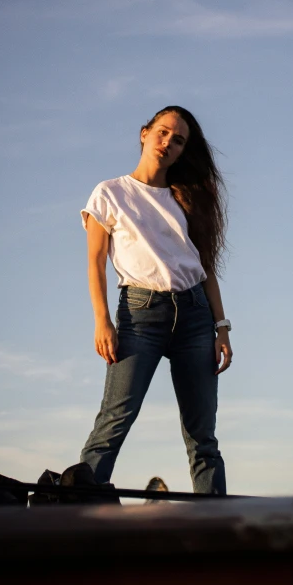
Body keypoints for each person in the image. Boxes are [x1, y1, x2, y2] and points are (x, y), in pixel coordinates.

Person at [79, 106, 232, 494]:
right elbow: (95, 263)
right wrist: (102, 321)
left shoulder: (187, 199)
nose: (168, 142)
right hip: (139, 315)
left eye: (178, 140)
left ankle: (216, 530)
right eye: (163, 133)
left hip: (196, 317)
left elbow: (205, 269)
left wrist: (222, 326)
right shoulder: (110, 193)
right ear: (145, 133)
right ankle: (75, 516)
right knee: (114, 421)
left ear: (183, 150)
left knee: (203, 438)